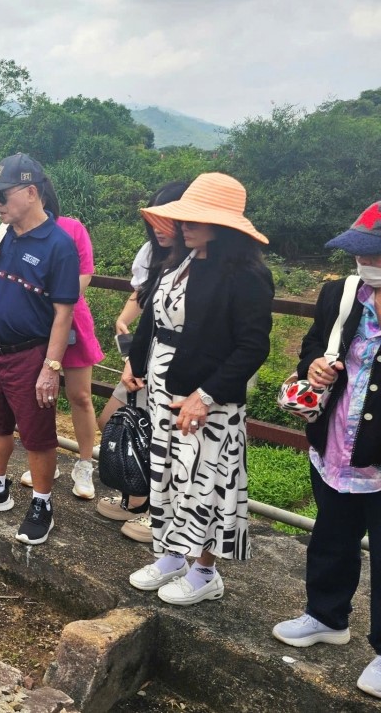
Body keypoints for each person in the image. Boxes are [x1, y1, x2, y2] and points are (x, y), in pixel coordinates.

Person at [122, 172, 273, 605]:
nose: (184, 225)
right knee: (169, 472)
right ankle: (172, 554)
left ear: (222, 226)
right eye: (184, 217)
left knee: (206, 481)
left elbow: (253, 346)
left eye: (195, 219)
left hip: (208, 398)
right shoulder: (181, 261)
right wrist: (135, 362)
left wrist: (206, 395)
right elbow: (153, 319)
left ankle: (205, 570)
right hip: (164, 386)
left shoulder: (246, 275)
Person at [272, 202, 381, 699]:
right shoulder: (340, 293)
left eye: (375, 254)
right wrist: (314, 364)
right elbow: (313, 343)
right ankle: (326, 615)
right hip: (337, 439)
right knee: (333, 533)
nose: (365, 263)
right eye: (360, 253)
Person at [0, 153, 79, 545]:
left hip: (30, 354)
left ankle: (42, 504)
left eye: (2, 195)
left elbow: (64, 313)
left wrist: (51, 367)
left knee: (37, 434)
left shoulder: (59, 245)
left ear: (31, 192)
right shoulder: (3, 234)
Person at [96, 180, 190, 541]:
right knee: (117, 421)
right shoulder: (153, 252)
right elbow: (143, 294)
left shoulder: (201, 262)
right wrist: (124, 321)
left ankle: (161, 513)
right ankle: (137, 498)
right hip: (145, 355)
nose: (157, 229)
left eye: (167, 221)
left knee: (165, 437)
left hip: (177, 363)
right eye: (153, 222)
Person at [14, 177, 102, 500]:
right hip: (35, 326)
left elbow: (85, 273)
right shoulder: (17, 232)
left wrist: (53, 299)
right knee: (40, 397)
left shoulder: (72, 228)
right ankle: (45, 461)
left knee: (80, 395)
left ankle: (84, 463)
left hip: (72, 321)